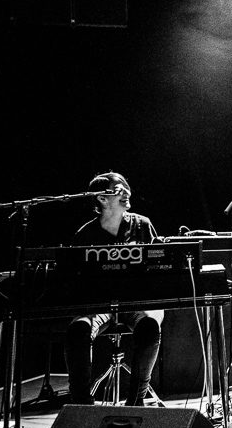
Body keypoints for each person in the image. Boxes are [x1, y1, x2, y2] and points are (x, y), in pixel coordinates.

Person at [65, 172, 163, 406]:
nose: (127, 192)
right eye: (119, 188)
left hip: (136, 302)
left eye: (127, 187)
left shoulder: (142, 225)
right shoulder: (85, 234)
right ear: (102, 198)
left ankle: (136, 401)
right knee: (78, 329)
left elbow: (159, 264)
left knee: (150, 325)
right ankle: (81, 404)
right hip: (99, 304)